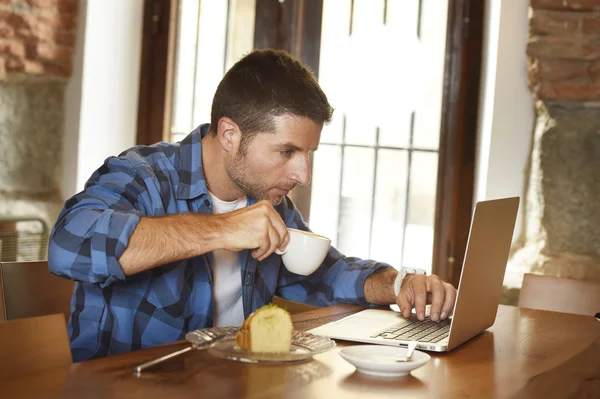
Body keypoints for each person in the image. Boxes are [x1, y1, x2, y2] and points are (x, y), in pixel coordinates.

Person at [49, 49, 457, 362]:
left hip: (237, 382)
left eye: (308, 154)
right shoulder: (143, 175)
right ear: (229, 133)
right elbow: (67, 244)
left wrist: (401, 283)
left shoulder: (266, 196)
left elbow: (324, 272)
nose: (303, 174)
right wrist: (223, 229)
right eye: (287, 151)